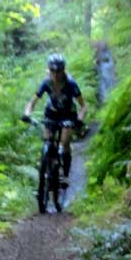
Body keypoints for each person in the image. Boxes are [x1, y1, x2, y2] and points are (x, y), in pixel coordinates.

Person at [23, 53, 87, 185]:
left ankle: (65, 174)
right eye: (53, 71)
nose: (56, 74)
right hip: (51, 113)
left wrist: (79, 119)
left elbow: (83, 106)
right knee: (48, 140)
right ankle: (49, 167)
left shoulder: (71, 84)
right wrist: (27, 113)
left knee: (64, 142)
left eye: (58, 71)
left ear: (63, 70)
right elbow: (32, 102)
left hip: (68, 114)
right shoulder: (46, 83)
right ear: (49, 70)